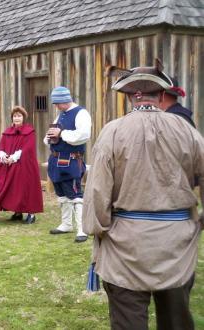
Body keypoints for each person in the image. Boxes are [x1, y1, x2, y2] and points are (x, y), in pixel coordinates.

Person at [83, 60, 204, 330]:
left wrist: (97, 229)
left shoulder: (112, 132)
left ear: (129, 97)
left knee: (128, 323)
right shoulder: (187, 131)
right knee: (177, 323)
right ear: (162, 95)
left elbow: (98, 191)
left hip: (125, 246)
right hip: (176, 247)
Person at [45, 86, 91, 243]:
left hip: (71, 161)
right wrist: (50, 137)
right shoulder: (61, 115)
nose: (56, 106)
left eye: (57, 103)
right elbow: (53, 134)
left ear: (65, 100)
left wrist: (61, 134)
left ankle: (82, 228)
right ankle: (66, 224)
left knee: (76, 195)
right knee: (62, 195)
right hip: (56, 160)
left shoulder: (81, 113)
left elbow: (83, 135)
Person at [0, 106, 43, 223]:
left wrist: (13, 157)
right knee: (13, 189)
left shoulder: (29, 132)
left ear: (23, 117)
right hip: (9, 165)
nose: (17, 118)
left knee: (26, 188)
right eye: (15, 116)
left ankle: (31, 213)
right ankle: (17, 212)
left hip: (24, 166)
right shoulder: (7, 132)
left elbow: (27, 149)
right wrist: (3, 155)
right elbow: (1, 146)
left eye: (19, 116)